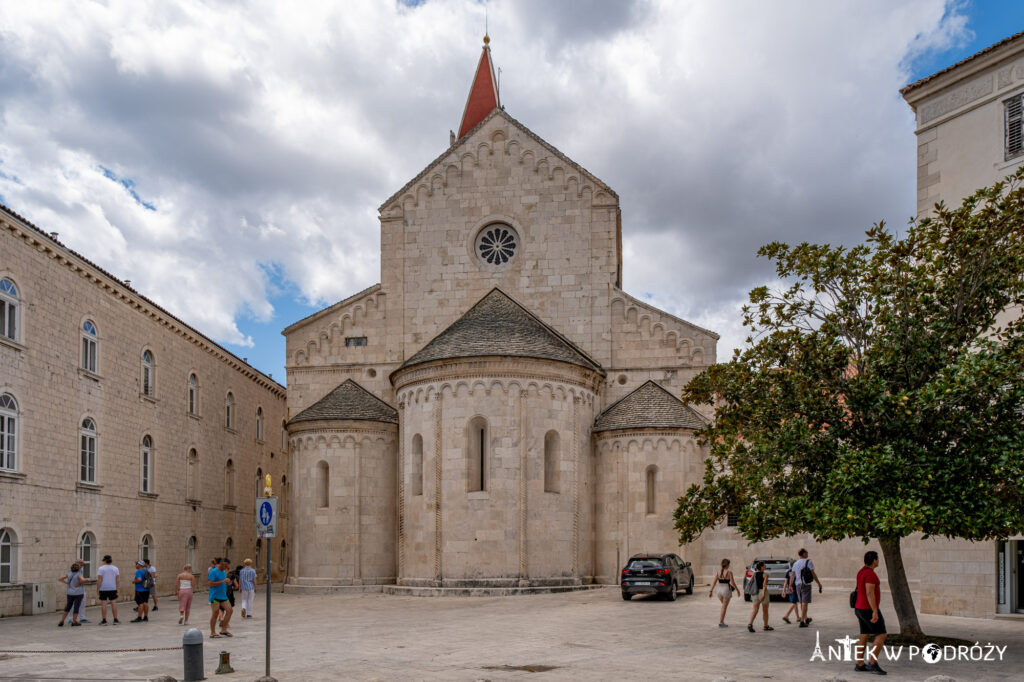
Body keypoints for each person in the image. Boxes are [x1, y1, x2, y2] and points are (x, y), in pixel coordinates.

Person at [853, 550, 888, 675]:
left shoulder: (861, 571)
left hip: (859, 608)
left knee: (864, 634)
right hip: (867, 609)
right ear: (874, 560)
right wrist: (875, 611)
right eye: (877, 558)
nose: (878, 561)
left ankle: (860, 664)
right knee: (881, 634)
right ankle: (873, 663)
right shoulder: (870, 574)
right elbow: (869, 593)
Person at [792, 548, 823, 627]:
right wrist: (818, 583)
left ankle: (805, 618)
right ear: (804, 554)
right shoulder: (808, 562)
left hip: (798, 584)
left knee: (802, 603)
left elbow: (793, 575)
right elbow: (813, 574)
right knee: (805, 603)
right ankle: (802, 621)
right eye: (806, 553)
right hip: (806, 584)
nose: (807, 554)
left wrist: (790, 585)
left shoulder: (795, 563)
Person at [708, 558, 738, 627]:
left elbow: (714, 582)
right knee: (724, 607)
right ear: (727, 565)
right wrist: (738, 590)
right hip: (726, 589)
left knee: (724, 606)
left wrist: (711, 591)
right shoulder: (729, 573)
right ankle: (721, 622)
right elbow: (733, 583)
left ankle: (722, 620)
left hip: (719, 590)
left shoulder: (718, 572)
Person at [208, 557, 233, 638]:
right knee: (215, 613)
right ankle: (212, 632)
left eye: (227, 566)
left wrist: (228, 583)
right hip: (215, 597)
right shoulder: (213, 571)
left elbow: (224, 582)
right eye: (225, 566)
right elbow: (211, 583)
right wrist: (223, 581)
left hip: (223, 596)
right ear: (221, 564)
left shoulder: (224, 571)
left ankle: (223, 630)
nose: (226, 568)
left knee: (229, 611)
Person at [746, 561, 773, 632]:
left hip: (755, 593)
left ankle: (750, 624)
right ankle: (766, 626)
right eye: (764, 565)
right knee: (765, 610)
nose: (765, 566)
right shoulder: (765, 575)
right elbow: (764, 585)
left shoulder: (754, 574)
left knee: (755, 609)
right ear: (761, 567)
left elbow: (749, 582)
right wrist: (763, 594)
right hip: (762, 592)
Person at [58, 561, 86, 627]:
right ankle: (74, 621)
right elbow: (84, 580)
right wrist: (80, 583)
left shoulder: (69, 573)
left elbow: (60, 579)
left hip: (70, 592)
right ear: (79, 568)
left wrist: (66, 583)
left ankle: (62, 621)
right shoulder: (79, 573)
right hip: (78, 592)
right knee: (76, 607)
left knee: (68, 607)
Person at [96, 555, 120, 625]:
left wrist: (98, 589)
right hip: (112, 588)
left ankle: (104, 620)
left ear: (105, 560)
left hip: (103, 588)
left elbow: (99, 580)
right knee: (113, 603)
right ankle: (115, 619)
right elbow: (117, 580)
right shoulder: (115, 568)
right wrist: (117, 589)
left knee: (103, 604)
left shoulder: (101, 568)